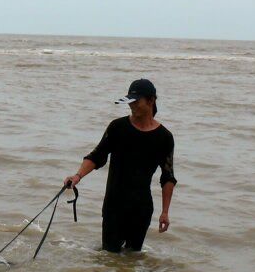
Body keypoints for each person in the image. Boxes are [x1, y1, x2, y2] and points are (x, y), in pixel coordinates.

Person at [64, 79, 176, 252]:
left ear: (151, 100)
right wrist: (77, 176)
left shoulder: (164, 137)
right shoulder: (118, 127)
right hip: (114, 206)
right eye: (129, 102)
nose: (131, 106)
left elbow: (168, 176)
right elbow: (97, 155)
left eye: (136, 102)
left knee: (132, 262)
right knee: (109, 259)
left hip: (141, 208)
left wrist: (165, 212)